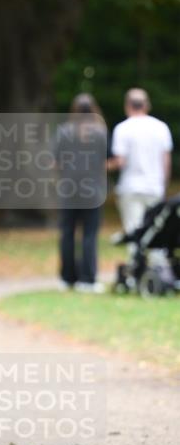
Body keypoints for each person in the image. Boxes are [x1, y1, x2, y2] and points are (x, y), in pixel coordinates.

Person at [55, 93, 108, 293]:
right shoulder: (100, 132)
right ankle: (88, 279)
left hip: (68, 189)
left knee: (67, 234)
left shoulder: (63, 131)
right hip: (93, 191)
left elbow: (54, 161)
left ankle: (67, 278)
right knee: (89, 234)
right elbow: (106, 161)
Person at [107, 88, 173, 236]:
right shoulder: (161, 128)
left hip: (130, 188)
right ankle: (158, 260)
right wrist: (163, 185)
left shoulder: (122, 129)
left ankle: (137, 259)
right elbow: (166, 162)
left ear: (127, 105)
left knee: (134, 233)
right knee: (156, 233)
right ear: (146, 105)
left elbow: (120, 162)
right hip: (154, 187)